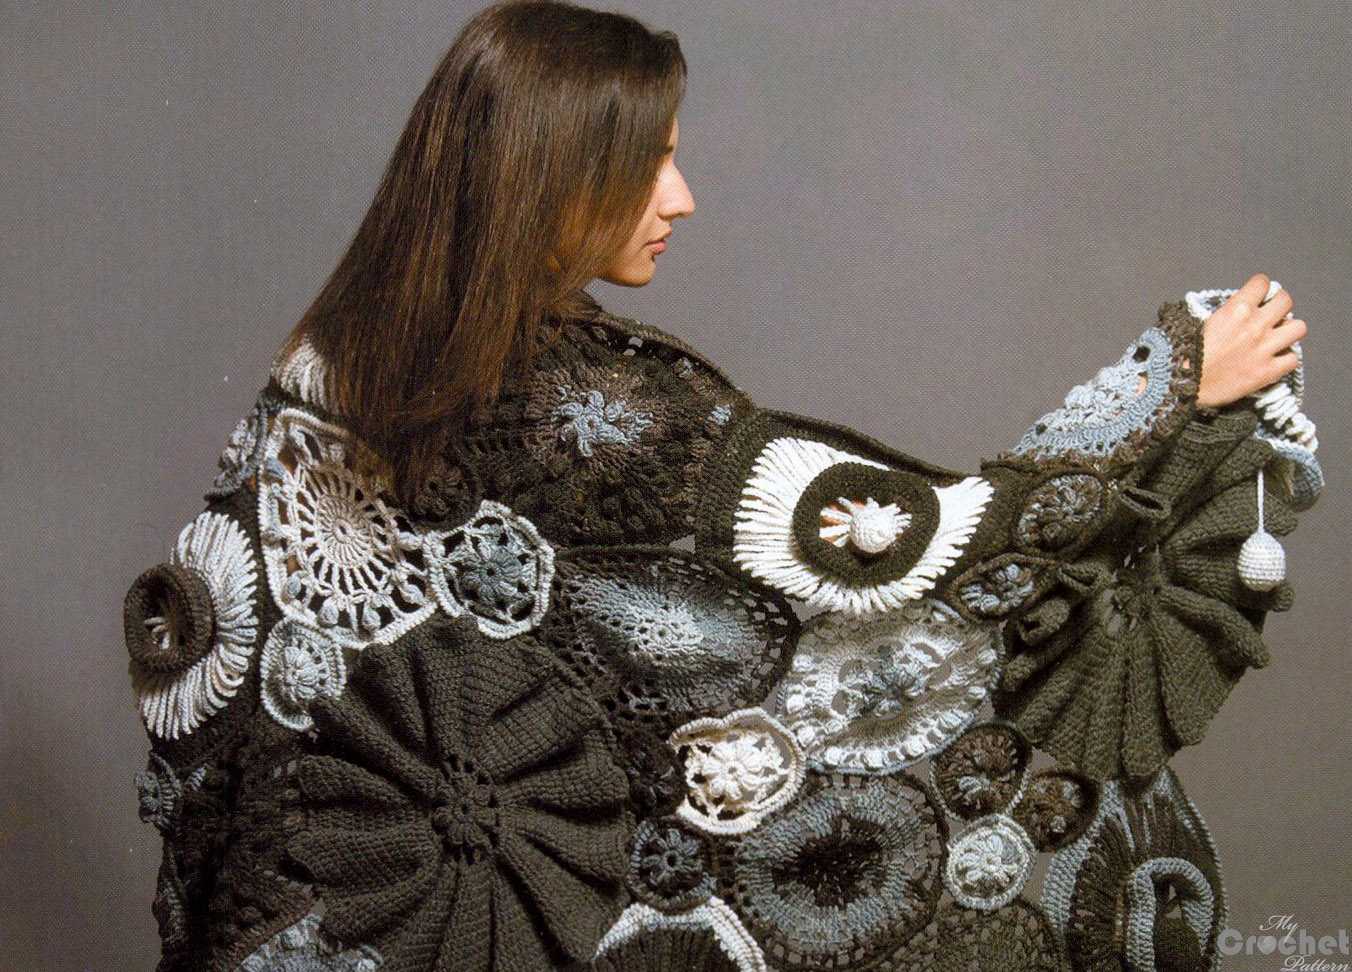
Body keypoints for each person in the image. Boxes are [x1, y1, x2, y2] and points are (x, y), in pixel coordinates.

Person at [122, 2, 1321, 970]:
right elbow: (912, 543)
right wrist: (1173, 383)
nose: (680, 199)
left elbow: (230, 635)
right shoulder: (593, 409)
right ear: (549, 174)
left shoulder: (331, 368)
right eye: (647, 165)